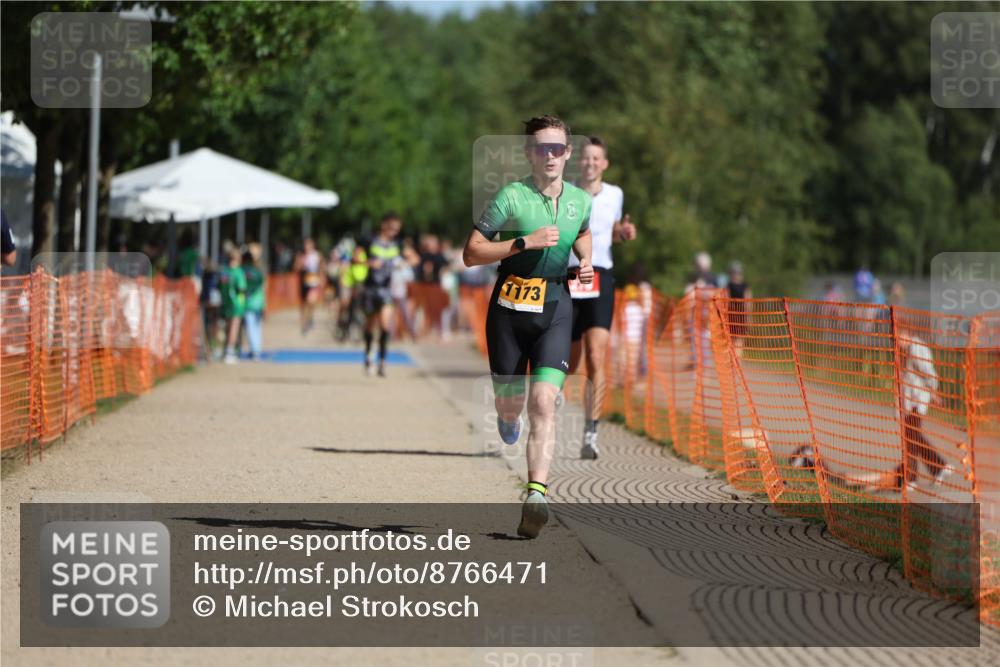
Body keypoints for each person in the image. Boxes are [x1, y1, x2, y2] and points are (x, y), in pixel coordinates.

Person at [462, 114, 594, 539]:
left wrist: (586, 260)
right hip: (508, 310)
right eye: (542, 148)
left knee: (544, 402)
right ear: (529, 153)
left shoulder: (579, 200)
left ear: (567, 153)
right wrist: (523, 242)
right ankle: (507, 418)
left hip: (555, 307)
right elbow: (471, 253)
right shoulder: (511, 196)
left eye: (557, 148)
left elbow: (582, 232)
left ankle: (537, 495)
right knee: (512, 407)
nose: (550, 155)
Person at [565, 136, 637, 459]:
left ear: (604, 163)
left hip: (600, 275)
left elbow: (612, 234)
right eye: (586, 157)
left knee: (596, 355)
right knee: (567, 361)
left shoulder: (615, 194)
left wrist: (624, 233)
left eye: (596, 158)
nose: (591, 163)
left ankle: (591, 433)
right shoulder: (565, 191)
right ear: (578, 161)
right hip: (569, 275)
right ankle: (546, 412)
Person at [362, 212, 406, 377]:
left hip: (386, 290)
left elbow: (414, 258)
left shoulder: (398, 244)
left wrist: (404, 263)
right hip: (370, 289)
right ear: (383, 225)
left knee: (385, 325)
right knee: (370, 325)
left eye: (397, 229)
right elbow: (354, 258)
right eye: (391, 228)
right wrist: (369, 262)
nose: (394, 232)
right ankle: (368, 356)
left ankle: (382, 363)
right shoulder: (369, 241)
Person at [220, 246, 247, 364]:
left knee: (228, 327)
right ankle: (230, 352)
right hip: (237, 304)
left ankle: (226, 350)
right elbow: (242, 288)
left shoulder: (224, 272)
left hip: (226, 303)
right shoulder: (238, 272)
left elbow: (220, 286)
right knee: (234, 329)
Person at [295, 238, 323, 336]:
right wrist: (300, 264)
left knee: (311, 301)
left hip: (314, 282)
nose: (306, 247)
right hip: (304, 282)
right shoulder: (301, 256)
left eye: (309, 245)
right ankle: (305, 324)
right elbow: (296, 268)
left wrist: (322, 278)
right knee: (304, 304)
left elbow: (321, 267)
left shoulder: (317, 255)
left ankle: (310, 318)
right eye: (305, 245)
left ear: (313, 245)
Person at [242, 248, 266, 360]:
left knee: (250, 327)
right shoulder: (257, 271)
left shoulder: (242, 271)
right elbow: (262, 285)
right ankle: (257, 349)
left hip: (248, 303)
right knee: (257, 327)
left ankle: (254, 350)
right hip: (259, 302)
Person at [726, 261, 752, 358]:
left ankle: (734, 360)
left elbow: (726, 301)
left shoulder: (729, 286)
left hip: (733, 316)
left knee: (734, 341)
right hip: (739, 316)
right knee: (738, 342)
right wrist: (748, 317)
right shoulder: (744, 286)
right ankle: (736, 361)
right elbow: (748, 302)